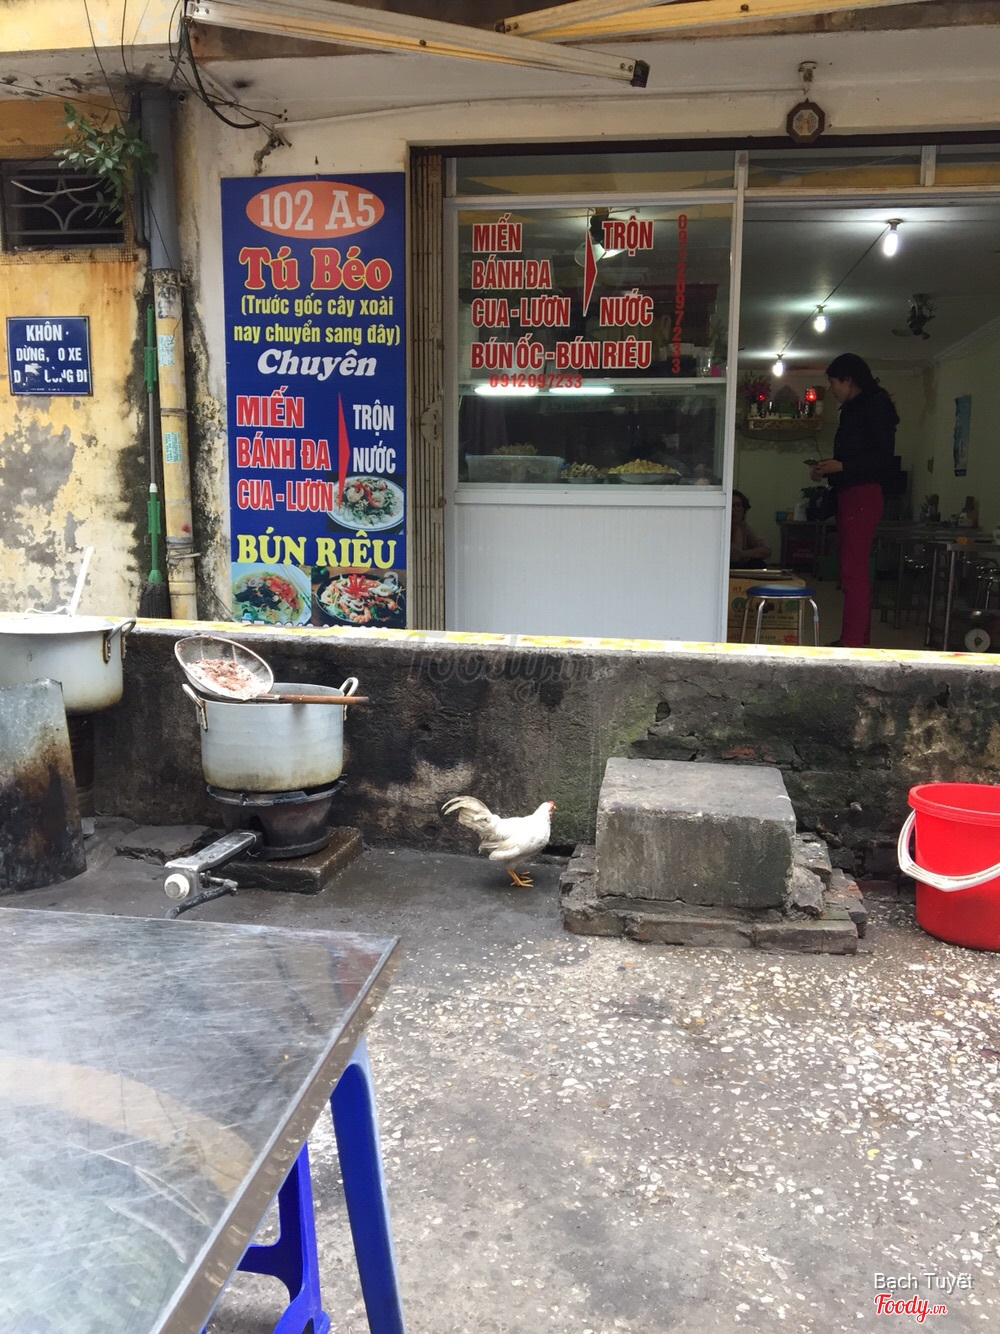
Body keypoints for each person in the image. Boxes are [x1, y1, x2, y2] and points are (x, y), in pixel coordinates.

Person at [809, 352, 898, 647]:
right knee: (852, 569)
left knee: (853, 570)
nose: (832, 389)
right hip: (852, 492)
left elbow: (883, 460)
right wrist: (829, 469)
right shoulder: (854, 408)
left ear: (849, 380)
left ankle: (852, 641)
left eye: (834, 382)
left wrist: (842, 467)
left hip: (863, 493)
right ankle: (857, 638)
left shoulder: (875, 405)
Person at [730, 490, 772, 568]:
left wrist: (742, 554)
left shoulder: (744, 527)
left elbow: (766, 550)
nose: (734, 509)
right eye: (730, 505)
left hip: (741, 568)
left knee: (758, 563)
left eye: (738, 506)